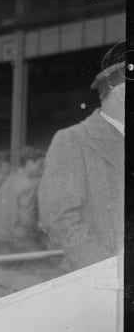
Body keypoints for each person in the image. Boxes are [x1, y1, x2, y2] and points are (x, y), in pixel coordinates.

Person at [38, 41, 125, 272]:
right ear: (123, 94)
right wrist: (107, 269)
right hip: (101, 281)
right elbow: (61, 220)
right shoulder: (73, 140)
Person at [0, 146, 45, 254]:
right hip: (19, 242)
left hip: (1, 239)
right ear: (29, 164)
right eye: (39, 165)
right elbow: (27, 220)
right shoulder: (29, 185)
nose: (41, 169)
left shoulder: (7, 181)